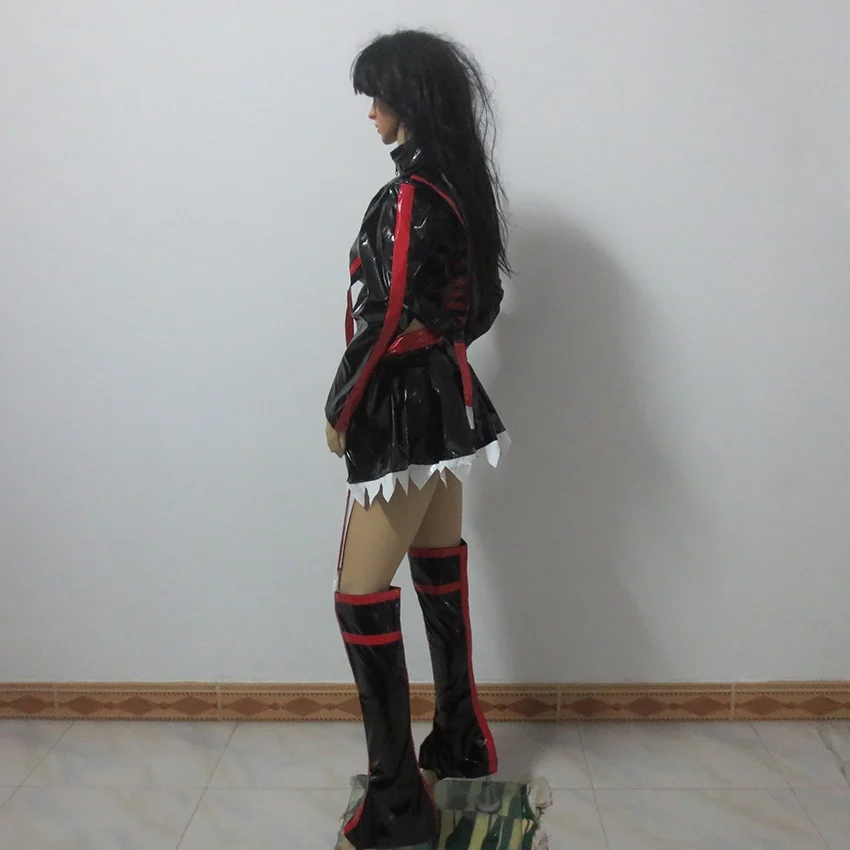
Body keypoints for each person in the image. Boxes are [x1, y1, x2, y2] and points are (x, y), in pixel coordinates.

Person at [325, 29, 511, 849]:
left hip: (402, 411)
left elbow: (386, 311)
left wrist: (342, 406)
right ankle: (461, 741)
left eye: (380, 97)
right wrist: (443, 351)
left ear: (411, 102)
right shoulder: (461, 190)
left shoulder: (409, 197)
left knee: (359, 594)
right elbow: (480, 304)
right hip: (449, 401)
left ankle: (399, 803)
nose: (371, 113)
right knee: (438, 567)